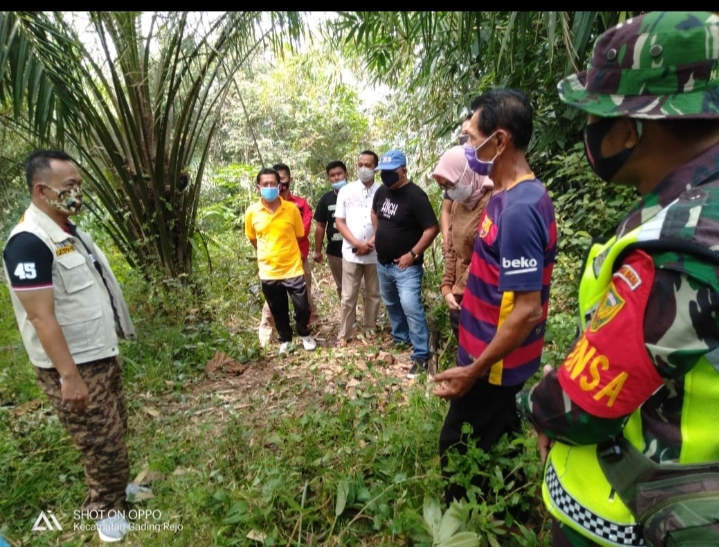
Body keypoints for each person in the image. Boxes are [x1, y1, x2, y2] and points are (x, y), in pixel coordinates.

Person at [517, 11, 719, 546]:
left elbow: (585, 399)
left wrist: (538, 408)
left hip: (640, 509)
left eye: (596, 115)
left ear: (631, 126)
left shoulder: (687, 238)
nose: (592, 130)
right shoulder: (687, 204)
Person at [2, 150, 137, 542]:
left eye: (78, 184)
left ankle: (117, 489)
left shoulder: (68, 230)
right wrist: (68, 376)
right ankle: (104, 511)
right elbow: (40, 316)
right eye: (69, 187)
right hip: (73, 363)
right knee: (99, 440)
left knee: (115, 428)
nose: (77, 193)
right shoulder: (29, 242)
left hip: (98, 353)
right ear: (42, 190)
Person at [432, 89, 557, 504]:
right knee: (498, 435)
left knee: (456, 444)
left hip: (493, 365)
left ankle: (461, 523)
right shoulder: (505, 196)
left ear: (499, 141)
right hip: (486, 356)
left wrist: (473, 370)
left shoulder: (520, 209)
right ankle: (510, 505)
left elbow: (526, 310)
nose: (467, 147)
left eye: (471, 138)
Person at [372, 149, 439, 378]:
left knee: (411, 307)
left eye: (391, 172)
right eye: (383, 172)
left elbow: (432, 228)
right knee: (391, 302)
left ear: (403, 170)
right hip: (383, 263)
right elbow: (375, 213)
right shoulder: (382, 191)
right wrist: (379, 234)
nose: (386, 177)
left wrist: (413, 253)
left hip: (407, 267)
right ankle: (401, 338)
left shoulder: (416, 196)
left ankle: (421, 354)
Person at [245, 167, 316, 354]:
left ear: (279, 185)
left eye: (272, 184)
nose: (269, 187)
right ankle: (285, 339)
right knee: (278, 309)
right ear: (258, 186)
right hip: (269, 270)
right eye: (265, 184)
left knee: (302, 307)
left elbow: (299, 234)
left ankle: (303, 333)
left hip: (293, 267)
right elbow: (253, 238)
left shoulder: (291, 209)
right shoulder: (252, 212)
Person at [431, 145, 493, 339]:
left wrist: (457, 291)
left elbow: (484, 255)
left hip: (482, 294)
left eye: (451, 184)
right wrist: (446, 286)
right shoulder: (458, 204)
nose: (450, 191)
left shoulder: (493, 202)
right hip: (458, 298)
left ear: (467, 172)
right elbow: (451, 249)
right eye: (444, 187)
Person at [334, 150, 382, 346]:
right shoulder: (346, 191)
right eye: (360, 164)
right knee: (347, 296)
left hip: (375, 253)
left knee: (373, 294)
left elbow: (386, 221)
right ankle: (344, 334)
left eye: (368, 165)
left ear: (375, 168)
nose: (363, 168)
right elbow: (339, 221)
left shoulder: (382, 191)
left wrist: (371, 242)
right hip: (351, 253)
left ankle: (370, 328)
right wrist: (357, 243)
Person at [313, 160, 348, 299]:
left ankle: (369, 320)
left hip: (357, 250)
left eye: (339, 173)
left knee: (364, 288)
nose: (336, 177)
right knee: (342, 288)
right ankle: (349, 320)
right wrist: (317, 250)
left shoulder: (356, 193)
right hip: (334, 251)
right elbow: (321, 225)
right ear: (329, 178)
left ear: (346, 174)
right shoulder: (326, 199)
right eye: (332, 175)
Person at [440, 114, 474, 253]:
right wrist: (448, 240)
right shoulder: (457, 169)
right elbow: (446, 209)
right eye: (462, 132)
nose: (464, 137)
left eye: (469, 133)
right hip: (458, 250)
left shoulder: (492, 173)